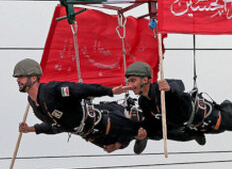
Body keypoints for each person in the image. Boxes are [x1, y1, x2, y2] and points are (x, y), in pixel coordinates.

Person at [123, 61, 232, 139]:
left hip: (209, 116)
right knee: (230, 114)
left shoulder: (161, 89)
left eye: (133, 81)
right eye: (128, 81)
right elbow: (153, 124)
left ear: (145, 79)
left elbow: (180, 85)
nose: (130, 85)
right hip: (200, 126)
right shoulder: (144, 103)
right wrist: (143, 132)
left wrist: (169, 87)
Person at [13, 58, 141, 153]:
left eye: (21, 77)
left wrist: (110, 91)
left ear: (34, 77)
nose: (18, 80)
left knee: (132, 130)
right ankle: (136, 135)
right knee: (110, 146)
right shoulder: (34, 104)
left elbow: (80, 89)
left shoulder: (51, 90)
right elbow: (56, 126)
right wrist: (31, 129)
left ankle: (138, 124)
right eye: (17, 78)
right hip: (89, 134)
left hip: (100, 121)